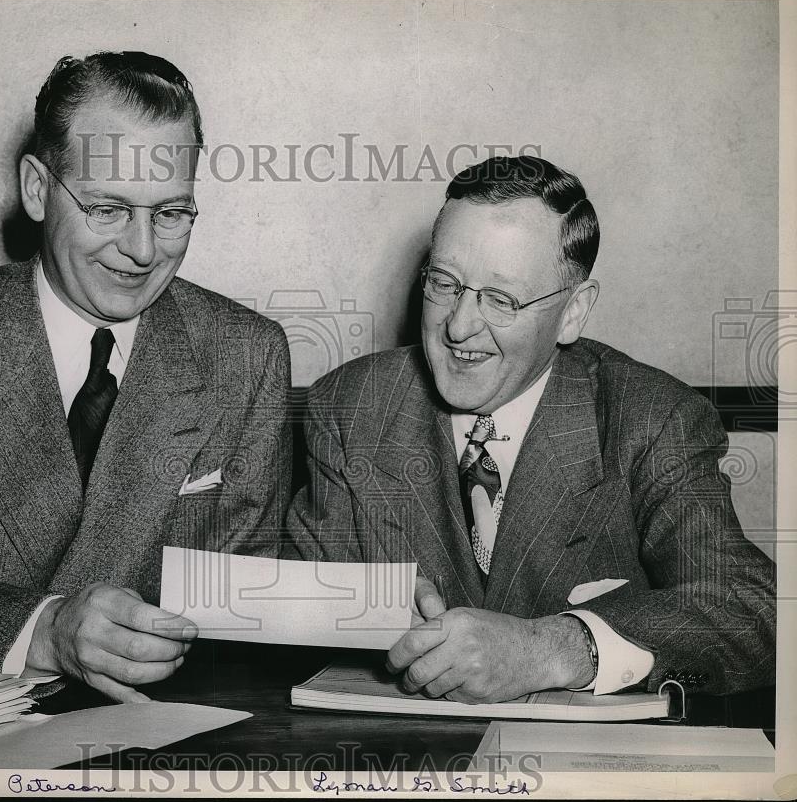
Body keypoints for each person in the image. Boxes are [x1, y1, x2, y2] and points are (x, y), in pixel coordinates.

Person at [0, 51, 292, 703]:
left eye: (170, 212)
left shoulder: (246, 354)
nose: (142, 249)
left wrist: (377, 610)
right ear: (38, 190)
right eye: (107, 208)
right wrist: (44, 628)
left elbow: (246, 597)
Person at [287, 155, 775, 701]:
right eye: (444, 283)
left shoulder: (653, 419)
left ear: (573, 312)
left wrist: (554, 647)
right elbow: (296, 589)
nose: (459, 326)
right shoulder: (352, 406)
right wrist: (363, 608)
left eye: (501, 299)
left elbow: (752, 608)